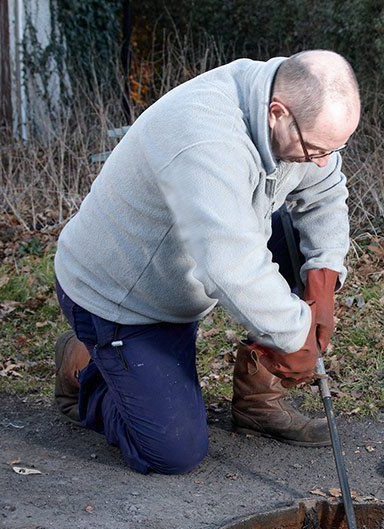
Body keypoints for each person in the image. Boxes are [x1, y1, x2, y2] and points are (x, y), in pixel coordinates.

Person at [52, 50, 360, 474]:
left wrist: (323, 284)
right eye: (317, 149)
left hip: (184, 268)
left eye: (335, 149)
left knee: (292, 237)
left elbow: (326, 191)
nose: (323, 160)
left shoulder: (294, 114)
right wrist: (295, 337)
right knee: (173, 451)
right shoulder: (206, 137)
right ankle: (85, 370)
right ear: (277, 114)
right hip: (121, 297)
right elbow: (229, 265)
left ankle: (257, 404)